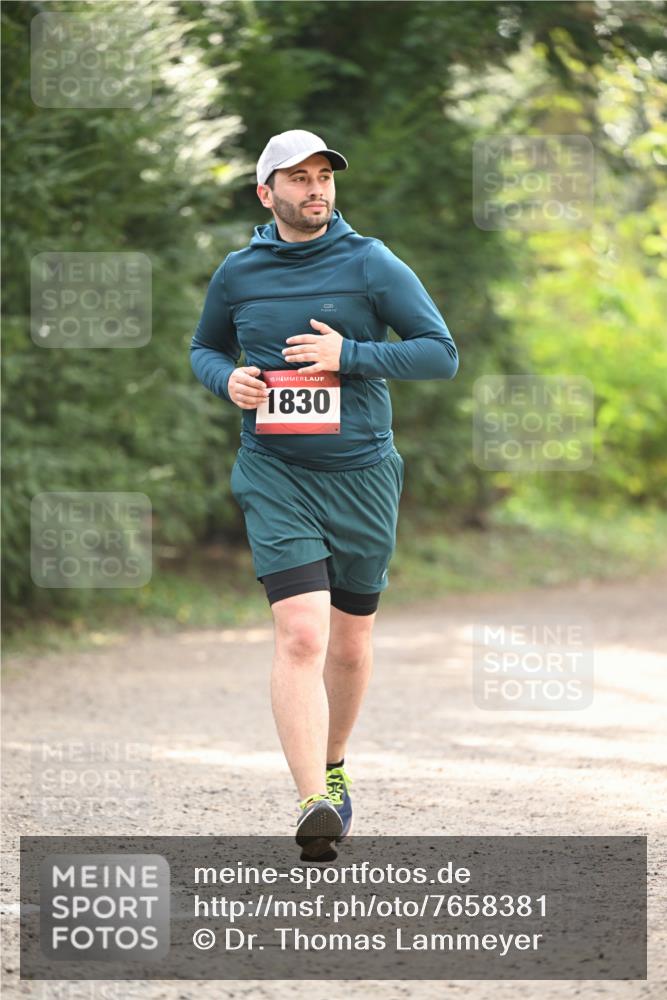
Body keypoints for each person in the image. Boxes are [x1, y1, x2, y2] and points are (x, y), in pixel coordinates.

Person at [190, 129, 458, 859]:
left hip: (363, 475)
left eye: (323, 177)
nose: (316, 189)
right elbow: (205, 347)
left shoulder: (370, 262)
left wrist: (351, 355)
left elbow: (440, 353)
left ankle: (334, 767)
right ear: (265, 192)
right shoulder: (238, 273)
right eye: (298, 178)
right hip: (275, 472)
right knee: (301, 633)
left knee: (349, 641)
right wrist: (228, 380)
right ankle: (311, 798)